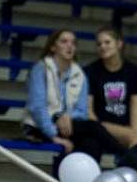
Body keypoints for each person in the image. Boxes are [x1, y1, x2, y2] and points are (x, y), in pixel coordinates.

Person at [23, 29, 124, 162]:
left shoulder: (80, 74)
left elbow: (82, 111)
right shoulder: (40, 69)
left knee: (92, 144)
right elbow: (37, 107)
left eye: (73, 43)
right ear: (53, 47)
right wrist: (54, 135)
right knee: (93, 127)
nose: (69, 46)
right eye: (64, 42)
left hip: (70, 126)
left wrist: (66, 117)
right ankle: (123, 153)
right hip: (40, 126)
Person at [85, 26, 137, 149]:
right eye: (99, 44)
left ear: (119, 44)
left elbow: (136, 106)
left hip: (126, 128)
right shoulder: (90, 71)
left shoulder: (134, 71)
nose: (102, 47)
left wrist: (134, 131)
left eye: (107, 42)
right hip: (100, 126)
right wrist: (100, 129)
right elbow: (88, 111)